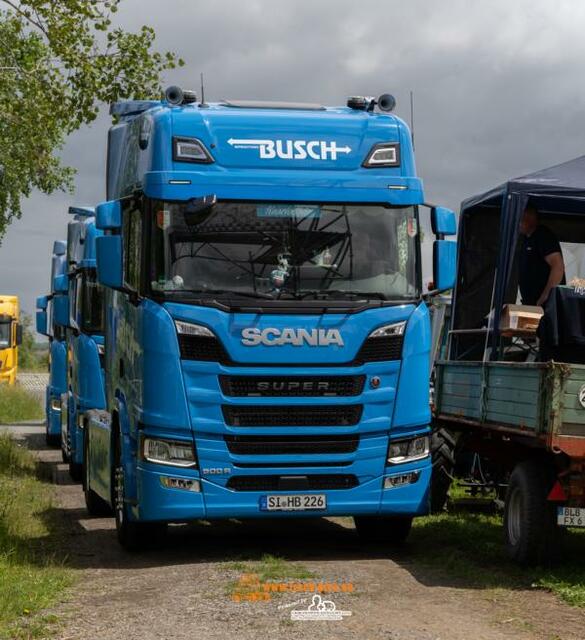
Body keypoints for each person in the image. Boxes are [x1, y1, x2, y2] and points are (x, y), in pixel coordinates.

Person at [518, 205, 565, 306]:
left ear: (531, 217)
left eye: (521, 218)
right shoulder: (526, 239)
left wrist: (545, 296)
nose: (518, 223)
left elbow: (558, 266)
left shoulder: (543, 235)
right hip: (532, 305)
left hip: (545, 306)